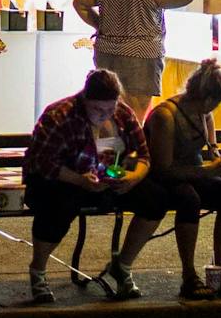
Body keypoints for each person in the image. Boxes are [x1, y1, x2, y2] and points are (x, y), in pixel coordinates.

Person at [21, 68, 168, 304]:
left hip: (105, 176)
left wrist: (132, 179)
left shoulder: (122, 114)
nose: (105, 114)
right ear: (85, 99)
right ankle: (38, 270)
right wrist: (80, 181)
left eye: (109, 108)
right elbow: (42, 163)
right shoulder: (60, 116)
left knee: (156, 199)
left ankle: (122, 266)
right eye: (98, 109)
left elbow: (143, 156)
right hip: (60, 180)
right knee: (58, 208)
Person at [145, 59, 221, 299]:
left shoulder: (204, 115)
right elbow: (163, 170)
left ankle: (218, 270)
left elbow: (211, 147)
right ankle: (188, 274)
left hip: (193, 172)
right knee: (188, 199)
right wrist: (211, 171)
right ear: (208, 98)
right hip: (163, 177)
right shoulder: (166, 117)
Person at [74, 0, 195, 115]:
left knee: (106, 113)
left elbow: (80, 3)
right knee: (136, 116)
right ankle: (133, 143)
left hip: (107, 54)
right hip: (142, 58)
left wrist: (99, 25)